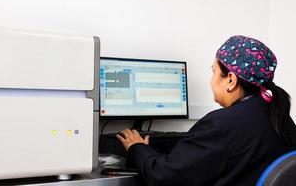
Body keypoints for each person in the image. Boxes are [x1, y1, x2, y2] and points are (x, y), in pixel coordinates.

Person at [116, 35, 296, 186]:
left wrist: (137, 147)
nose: (211, 80)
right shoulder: (281, 118)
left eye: (214, 72)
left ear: (231, 80)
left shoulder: (220, 125)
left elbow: (163, 176)